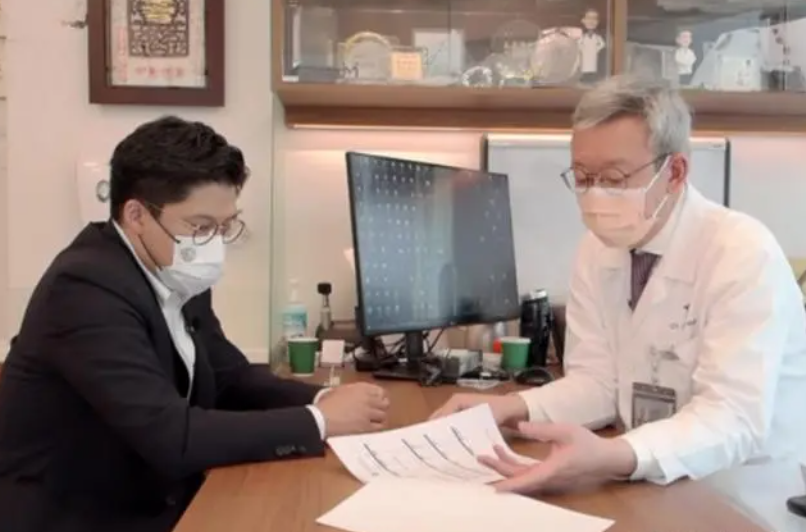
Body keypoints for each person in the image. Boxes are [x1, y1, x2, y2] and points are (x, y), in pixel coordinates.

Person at [432, 75, 806, 531]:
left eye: (613, 178)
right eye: (583, 177)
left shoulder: (741, 251)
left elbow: (733, 417)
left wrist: (611, 455)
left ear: (675, 172)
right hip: (648, 485)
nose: (595, 195)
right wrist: (511, 409)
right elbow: (598, 382)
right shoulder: (598, 249)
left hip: (742, 498)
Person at [0, 116, 390, 532]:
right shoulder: (85, 288)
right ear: (136, 215)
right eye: (201, 227)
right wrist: (321, 421)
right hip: (81, 517)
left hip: (159, 498)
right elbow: (171, 436)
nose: (213, 244)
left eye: (225, 226)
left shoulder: (176, 270)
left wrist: (324, 398)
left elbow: (230, 379)